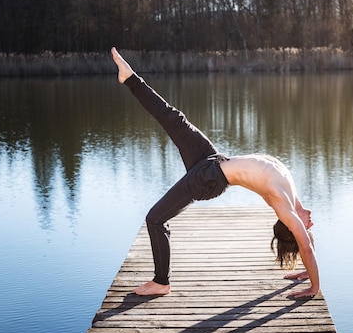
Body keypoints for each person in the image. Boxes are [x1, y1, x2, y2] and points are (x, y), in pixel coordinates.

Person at [111, 47, 319, 299]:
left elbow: (305, 246)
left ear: (291, 227)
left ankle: (161, 282)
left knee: (155, 219)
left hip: (208, 180)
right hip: (212, 159)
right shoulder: (292, 195)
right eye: (309, 227)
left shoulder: (283, 205)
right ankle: (130, 78)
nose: (311, 225)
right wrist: (305, 272)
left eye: (306, 228)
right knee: (174, 118)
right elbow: (306, 242)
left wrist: (314, 287)